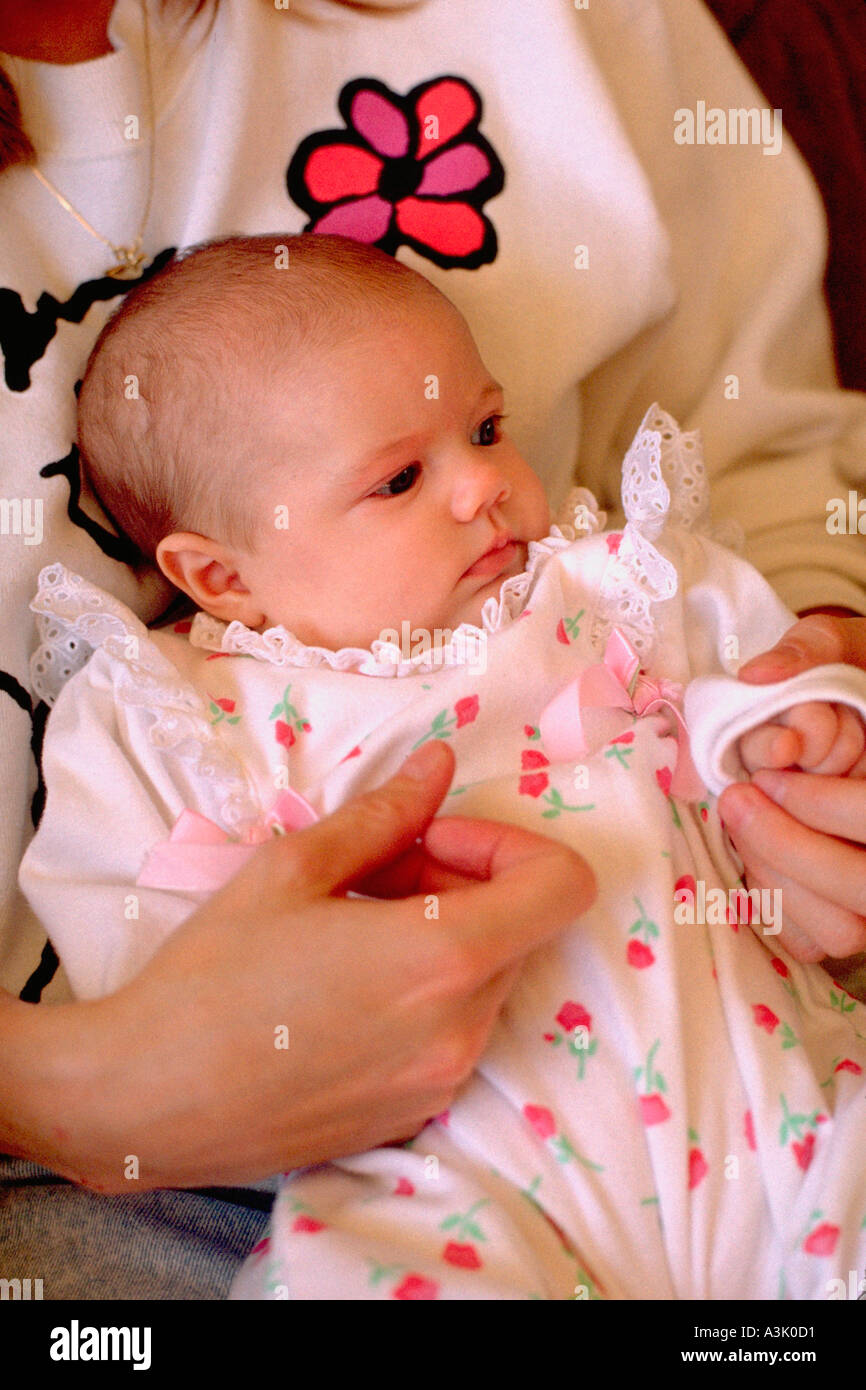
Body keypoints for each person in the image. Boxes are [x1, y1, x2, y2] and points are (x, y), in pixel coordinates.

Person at [2, 0, 866, 1298]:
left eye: (484, 427)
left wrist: (804, 723)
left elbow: (749, 638)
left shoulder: (594, 584)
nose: (483, 487)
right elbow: (121, 903)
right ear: (219, 575)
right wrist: (114, 1056)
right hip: (424, 1172)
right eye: (399, 478)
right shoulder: (185, 709)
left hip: (770, 1102)